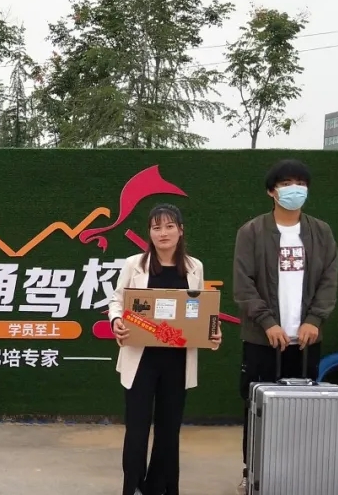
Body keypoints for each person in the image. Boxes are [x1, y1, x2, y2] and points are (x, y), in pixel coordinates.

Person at [231, 159, 338, 495]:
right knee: (257, 410)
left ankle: (298, 476)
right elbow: (243, 286)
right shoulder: (251, 232)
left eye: (301, 183)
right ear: (271, 191)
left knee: (303, 413)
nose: (295, 189)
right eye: (286, 183)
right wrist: (267, 322)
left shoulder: (321, 232)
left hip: (305, 342)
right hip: (262, 340)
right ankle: (254, 473)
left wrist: (314, 319)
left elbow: (329, 280)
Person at [108, 203, 222, 495]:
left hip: (178, 359)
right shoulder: (134, 264)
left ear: (181, 231)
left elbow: (201, 310)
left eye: (170, 226)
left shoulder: (195, 267)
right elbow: (117, 300)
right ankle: (133, 486)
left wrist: (212, 330)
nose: (163, 233)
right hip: (141, 358)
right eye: (156, 227)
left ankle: (161, 487)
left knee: (169, 430)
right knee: (137, 428)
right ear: (149, 232)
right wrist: (116, 320)